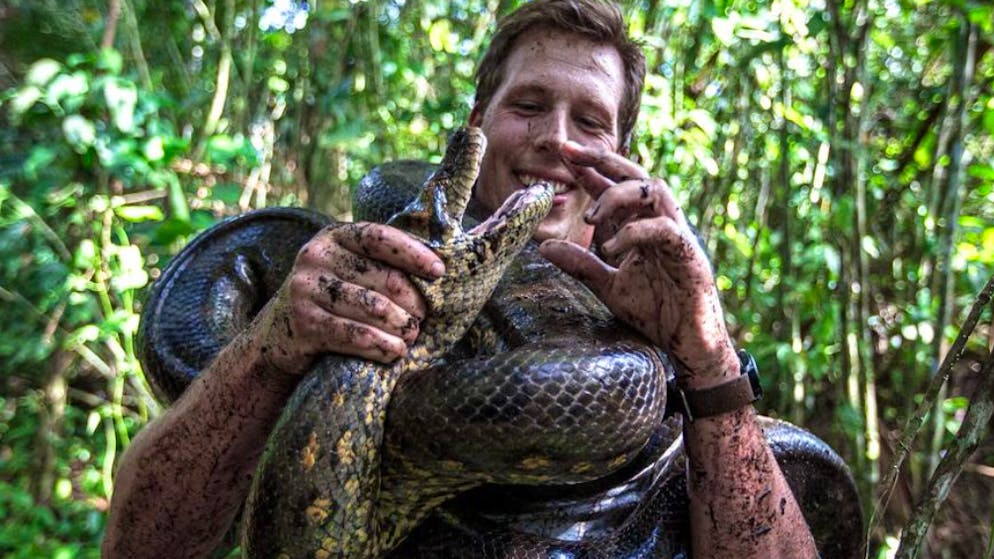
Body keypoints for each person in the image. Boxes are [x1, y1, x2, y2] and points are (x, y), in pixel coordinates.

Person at [103, 1, 818, 557]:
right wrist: (268, 347)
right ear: (477, 123)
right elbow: (141, 545)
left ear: (623, 155)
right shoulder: (348, 294)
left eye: (590, 123)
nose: (555, 140)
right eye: (529, 106)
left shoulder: (662, 338)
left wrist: (709, 360)